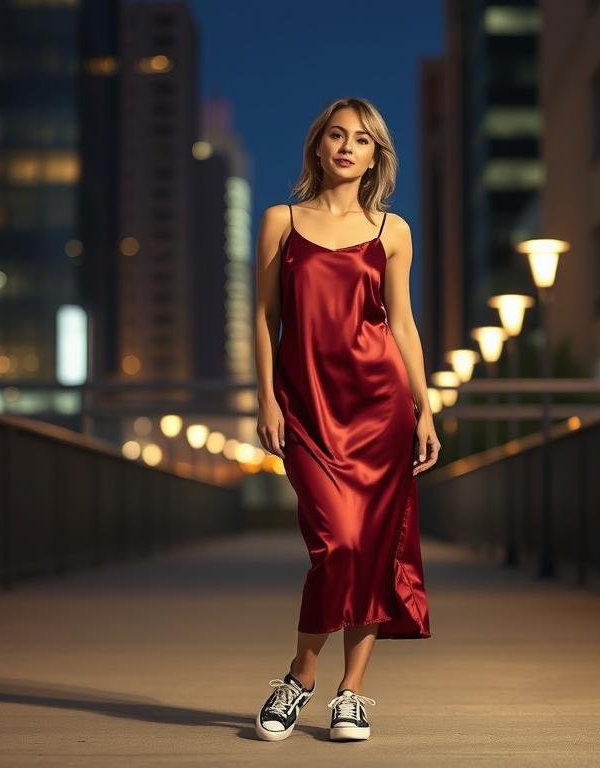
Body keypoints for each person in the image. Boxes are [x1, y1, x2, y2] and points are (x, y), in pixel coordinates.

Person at [252, 97, 440, 743]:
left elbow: (403, 325)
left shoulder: (393, 231)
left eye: (360, 139)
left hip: (380, 405)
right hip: (306, 405)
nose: (346, 147)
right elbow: (264, 317)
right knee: (336, 544)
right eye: (336, 135)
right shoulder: (281, 221)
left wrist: (425, 407)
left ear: (375, 155)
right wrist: (266, 398)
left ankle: (351, 693)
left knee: (371, 548)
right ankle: (301, 675)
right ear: (318, 145)